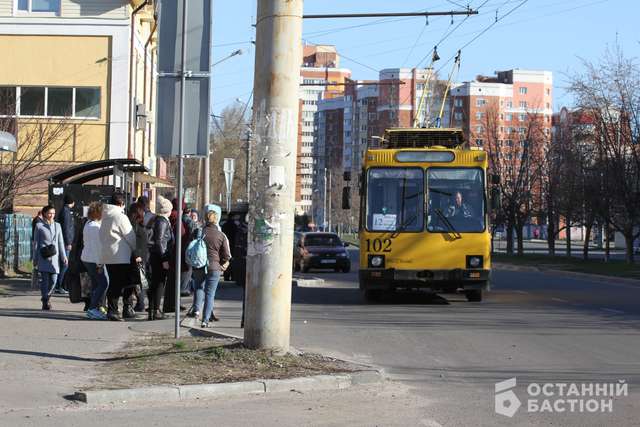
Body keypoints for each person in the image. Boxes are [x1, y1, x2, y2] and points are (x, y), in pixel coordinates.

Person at [99, 193, 138, 321]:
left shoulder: (105, 216)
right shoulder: (120, 217)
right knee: (122, 284)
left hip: (108, 255)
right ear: (121, 203)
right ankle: (115, 310)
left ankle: (113, 309)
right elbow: (130, 236)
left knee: (114, 283)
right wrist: (135, 250)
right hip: (121, 255)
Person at [193, 204, 230, 328]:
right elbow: (226, 255)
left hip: (199, 264)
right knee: (210, 293)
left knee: (199, 287)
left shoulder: (199, 232)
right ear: (217, 219)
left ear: (205, 218)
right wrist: (223, 263)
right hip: (214, 267)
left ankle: (196, 311)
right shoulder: (221, 235)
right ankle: (205, 320)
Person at [33, 205, 67, 310]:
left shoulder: (58, 225)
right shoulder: (39, 226)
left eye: (53, 213)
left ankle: (47, 297)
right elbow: (35, 244)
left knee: (54, 280)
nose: (52, 215)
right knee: (45, 280)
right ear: (44, 214)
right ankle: (45, 300)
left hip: (55, 258)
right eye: (49, 213)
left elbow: (61, 242)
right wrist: (35, 258)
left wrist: (64, 256)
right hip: (43, 257)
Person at [81, 202, 108, 320]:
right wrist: (100, 263)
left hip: (87, 258)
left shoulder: (88, 224)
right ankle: (92, 308)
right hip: (94, 259)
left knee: (96, 284)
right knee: (104, 283)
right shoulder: (96, 228)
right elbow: (98, 247)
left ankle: (94, 307)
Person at [148, 196, 174, 320]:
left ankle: (153, 310)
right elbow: (159, 240)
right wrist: (164, 259)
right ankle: (156, 310)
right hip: (160, 257)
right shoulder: (162, 221)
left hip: (157, 256)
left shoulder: (158, 220)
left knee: (156, 283)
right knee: (159, 283)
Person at [129, 203, 149, 313]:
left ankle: (140, 303)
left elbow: (133, 242)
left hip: (137, 256)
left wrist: (136, 255)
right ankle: (140, 303)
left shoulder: (134, 225)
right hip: (142, 255)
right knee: (140, 280)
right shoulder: (141, 225)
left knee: (137, 281)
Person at [53, 194, 75, 294]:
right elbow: (66, 228)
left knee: (63, 264)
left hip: (65, 241)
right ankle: (59, 285)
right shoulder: (66, 212)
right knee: (64, 264)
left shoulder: (64, 211)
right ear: (72, 202)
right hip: (66, 242)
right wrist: (68, 242)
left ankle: (59, 285)